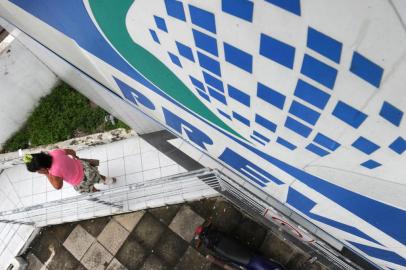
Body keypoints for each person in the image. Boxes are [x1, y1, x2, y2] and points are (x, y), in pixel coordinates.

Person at [23, 148, 116, 193]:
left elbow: (58, 186)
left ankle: (99, 193)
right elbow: (71, 151)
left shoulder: (53, 172)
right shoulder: (55, 152)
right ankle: (109, 181)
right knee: (98, 176)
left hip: (81, 183)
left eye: (37, 170)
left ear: (42, 168)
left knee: (91, 189)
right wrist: (74, 156)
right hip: (86, 169)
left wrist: (47, 174)